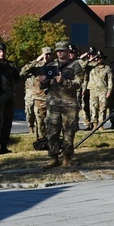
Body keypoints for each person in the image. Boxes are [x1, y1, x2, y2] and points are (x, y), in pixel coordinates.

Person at [39, 40, 84, 168]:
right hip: (53, 104)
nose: (59, 53)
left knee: (69, 131)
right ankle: (53, 157)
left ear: (67, 51)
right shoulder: (51, 65)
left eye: (62, 51)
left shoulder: (75, 66)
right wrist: (43, 81)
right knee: (52, 131)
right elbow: (43, 86)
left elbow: (78, 83)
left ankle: (67, 157)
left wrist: (63, 81)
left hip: (69, 104)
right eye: (57, 51)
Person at [20, 47, 54, 144]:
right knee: (40, 121)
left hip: (53, 97)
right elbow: (23, 72)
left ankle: (52, 140)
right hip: (39, 97)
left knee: (52, 121)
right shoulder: (37, 66)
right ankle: (41, 140)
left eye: (49, 54)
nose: (47, 56)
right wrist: (36, 60)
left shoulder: (55, 65)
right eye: (45, 54)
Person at [86, 50, 114, 130]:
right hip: (93, 90)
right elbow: (83, 65)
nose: (98, 59)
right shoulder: (91, 66)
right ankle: (94, 124)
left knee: (103, 108)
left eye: (100, 58)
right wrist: (92, 58)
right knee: (93, 107)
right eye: (97, 58)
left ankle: (101, 124)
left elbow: (110, 80)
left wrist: (109, 90)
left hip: (103, 90)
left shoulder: (107, 68)